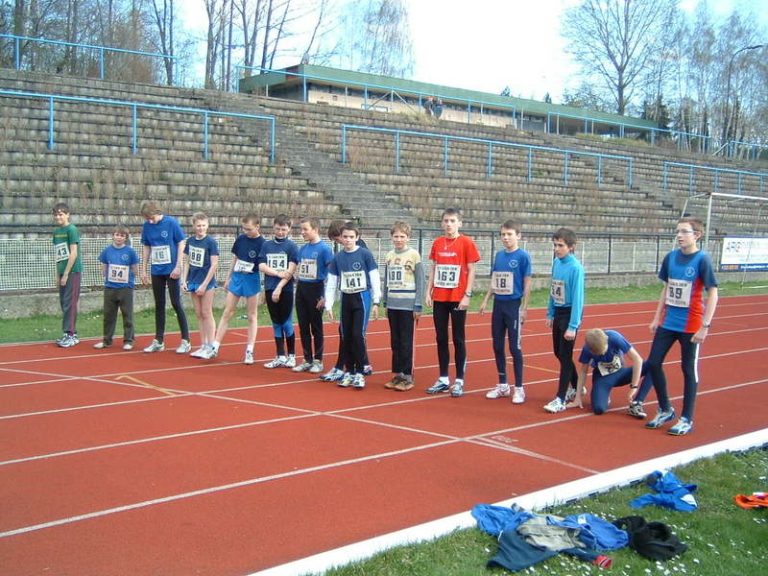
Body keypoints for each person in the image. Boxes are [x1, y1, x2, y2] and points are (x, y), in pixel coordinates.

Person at [642, 217, 719, 436]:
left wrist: (705, 326)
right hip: (669, 322)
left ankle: (686, 417)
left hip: (691, 325)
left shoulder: (702, 260)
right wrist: (657, 317)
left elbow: (713, 292)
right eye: (677, 231)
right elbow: (666, 289)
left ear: (697, 235)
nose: (679, 236)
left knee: (688, 369)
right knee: (653, 363)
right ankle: (666, 408)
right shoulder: (670, 258)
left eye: (684, 232)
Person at [425, 207, 481, 397]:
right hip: (439, 297)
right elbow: (434, 267)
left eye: (452, 221)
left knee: (458, 338)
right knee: (441, 338)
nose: (448, 224)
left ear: (459, 223)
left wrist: (468, 294)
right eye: (446, 221)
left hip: (457, 297)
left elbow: (472, 269)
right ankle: (442, 378)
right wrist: (428, 290)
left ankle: (459, 380)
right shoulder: (438, 243)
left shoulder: (466, 242)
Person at [200, 213, 264, 364]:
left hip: (252, 278)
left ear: (257, 227)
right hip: (237, 277)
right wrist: (228, 278)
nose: (245, 232)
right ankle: (214, 347)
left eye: (249, 229)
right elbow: (235, 258)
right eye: (244, 229)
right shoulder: (241, 239)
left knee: (251, 315)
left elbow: (263, 265)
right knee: (227, 312)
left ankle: (249, 350)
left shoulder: (263, 243)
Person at [479, 219, 532, 404]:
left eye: (509, 234)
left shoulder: (523, 257)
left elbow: (527, 282)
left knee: (514, 347)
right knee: (497, 345)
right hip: (498, 306)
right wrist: (486, 300)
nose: (506, 238)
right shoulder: (499, 256)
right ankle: (503, 385)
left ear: (518, 236)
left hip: (513, 305)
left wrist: (525, 307)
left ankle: (519, 388)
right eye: (503, 234)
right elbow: (495, 280)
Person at [324, 222, 381, 389]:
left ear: (357, 238)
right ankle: (349, 372)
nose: (348, 240)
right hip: (346, 299)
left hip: (362, 298)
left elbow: (375, 277)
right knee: (346, 335)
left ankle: (360, 372)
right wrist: (329, 305)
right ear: (340, 238)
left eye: (351, 237)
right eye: (345, 237)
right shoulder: (338, 258)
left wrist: (376, 300)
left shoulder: (365, 255)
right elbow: (332, 283)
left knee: (358, 335)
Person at [140, 200, 191, 354]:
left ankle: (186, 340)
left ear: (157, 212)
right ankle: (159, 340)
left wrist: (178, 265)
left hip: (172, 269)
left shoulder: (171, 223)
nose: (150, 221)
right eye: (147, 218)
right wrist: (143, 269)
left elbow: (181, 242)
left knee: (176, 303)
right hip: (157, 269)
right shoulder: (147, 226)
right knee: (159, 304)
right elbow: (147, 246)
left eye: (151, 217)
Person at [543, 227, 585, 413]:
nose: (557, 249)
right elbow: (553, 289)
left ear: (571, 247)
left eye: (560, 245)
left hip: (569, 314)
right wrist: (550, 313)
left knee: (566, 356)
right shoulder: (556, 263)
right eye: (555, 245)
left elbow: (578, 298)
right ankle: (577, 386)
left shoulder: (576, 268)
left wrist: (573, 326)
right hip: (558, 312)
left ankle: (560, 398)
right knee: (558, 353)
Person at [382, 221, 425, 391]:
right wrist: (386, 301)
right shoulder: (389, 256)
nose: (399, 239)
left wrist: (418, 305)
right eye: (396, 236)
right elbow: (387, 280)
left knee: (406, 341)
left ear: (408, 237)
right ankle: (398, 373)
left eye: (402, 236)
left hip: (408, 305)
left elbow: (420, 281)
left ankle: (408, 375)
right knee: (395, 341)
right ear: (391, 237)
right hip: (393, 303)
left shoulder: (414, 255)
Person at [567, 328, 650, 415]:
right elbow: (583, 371)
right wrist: (578, 398)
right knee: (598, 409)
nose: (602, 354)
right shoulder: (587, 349)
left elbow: (637, 359)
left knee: (653, 365)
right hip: (604, 378)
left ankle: (637, 403)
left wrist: (634, 386)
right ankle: (604, 394)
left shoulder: (614, 337)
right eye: (599, 354)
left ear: (606, 339)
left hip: (621, 373)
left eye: (604, 350)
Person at [292, 216, 334, 374]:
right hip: (302, 288)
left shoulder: (324, 249)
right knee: (303, 326)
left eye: (305, 229)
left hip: (316, 289)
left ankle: (318, 360)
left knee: (316, 326)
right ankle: (307, 359)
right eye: (301, 229)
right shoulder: (302, 249)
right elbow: (298, 267)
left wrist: (325, 297)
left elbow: (332, 274)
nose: (302, 232)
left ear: (315, 230)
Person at [259, 214, 299, 369]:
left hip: (285, 289)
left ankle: (292, 356)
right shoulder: (267, 245)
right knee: (276, 323)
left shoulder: (291, 247)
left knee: (286, 322)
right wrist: (276, 274)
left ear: (289, 229)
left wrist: (279, 286)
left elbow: (290, 270)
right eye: (277, 229)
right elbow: (261, 266)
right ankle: (280, 355)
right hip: (270, 287)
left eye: (283, 229)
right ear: (273, 227)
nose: (280, 232)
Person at [94, 225, 139, 351]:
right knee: (108, 315)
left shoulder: (130, 252)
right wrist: (105, 274)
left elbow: (135, 269)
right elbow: (103, 266)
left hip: (125, 288)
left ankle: (128, 340)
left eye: (122, 235)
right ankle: (106, 340)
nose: (119, 237)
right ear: (113, 236)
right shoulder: (107, 251)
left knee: (127, 314)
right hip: (110, 287)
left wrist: (131, 277)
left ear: (126, 238)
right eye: (117, 235)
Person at [181, 212, 219, 358]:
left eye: (203, 225)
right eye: (198, 226)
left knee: (206, 312)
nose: (201, 228)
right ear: (193, 226)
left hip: (207, 282)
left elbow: (214, 264)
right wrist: (184, 280)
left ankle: (211, 345)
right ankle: (203, 345)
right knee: (198, 314)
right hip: (193, 280)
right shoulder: (190, 241)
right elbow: (186, 261)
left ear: (207, 226)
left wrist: (204, 284)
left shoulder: (211, 242)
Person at [51, 202, 82, 348]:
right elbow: (58, 254)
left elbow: (73, 253)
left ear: (67, 215)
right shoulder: (56, 232)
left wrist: (66, 274)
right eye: (56, 214)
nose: (58, 217)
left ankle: (70, 334)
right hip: (62, 271)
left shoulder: (72, 230)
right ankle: (71, 332)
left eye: (61, 214)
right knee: (64, 302)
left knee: (70, 302)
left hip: (73, 271)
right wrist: (58, 274)